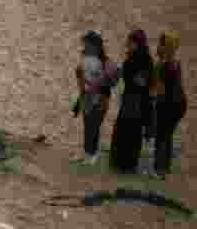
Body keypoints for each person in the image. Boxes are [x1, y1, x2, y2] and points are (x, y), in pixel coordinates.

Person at [109, 29, 153, 173]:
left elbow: (142, 81)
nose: (128, 44)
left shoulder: (144, 59)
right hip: (130, 98)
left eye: (131, 41)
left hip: (137, 100)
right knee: (125, 129)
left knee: (131, 131)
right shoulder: (133, 57)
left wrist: (132, 78)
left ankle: (127, 164)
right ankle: (121, 163)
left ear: (137, 43)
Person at [73, 30, 118, 166]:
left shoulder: (106, 63)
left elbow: (112, 79)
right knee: (88, 125)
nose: (84, 45)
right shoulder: (86, 59)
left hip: (100, 99)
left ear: (95, 45)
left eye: (87, 43)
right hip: (87, 96)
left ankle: (93, 154)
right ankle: (87, 152)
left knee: (94, 126)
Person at [150, 31, 187, 179]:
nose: (158, 46)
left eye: (161, 43)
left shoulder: (162, 66)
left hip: (168, 105)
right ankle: (164, 168)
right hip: (179, 104)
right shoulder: (176, 63)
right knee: (167, 136)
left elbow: (159, 90)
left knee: (162, 136)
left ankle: (159, 170)